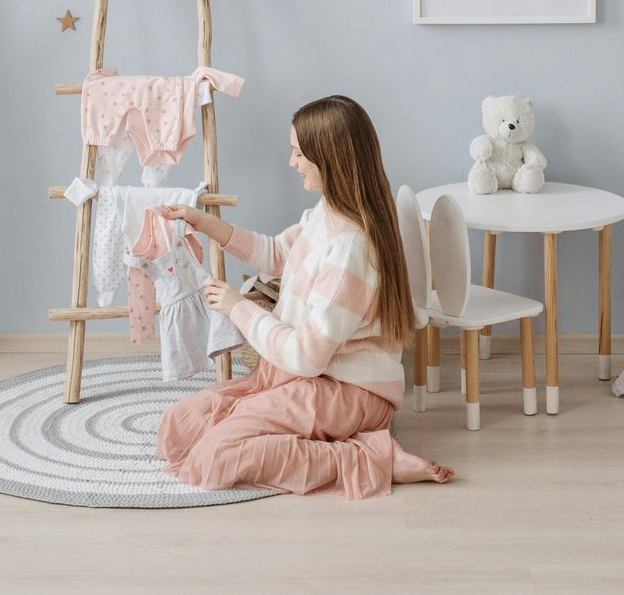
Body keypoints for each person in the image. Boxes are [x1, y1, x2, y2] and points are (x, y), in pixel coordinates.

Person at [155, 95, 453, 498]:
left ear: (328, 158)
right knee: (178, 426)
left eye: (298, 153)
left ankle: (371, 458)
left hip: (347, 389)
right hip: (301, 376)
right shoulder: (326, 213)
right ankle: (340, 441)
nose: (292, 162)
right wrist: (202, 222)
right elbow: (276, 253)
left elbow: (307, 356)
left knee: (216, 456)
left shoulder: (350, 248)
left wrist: (238, 308)